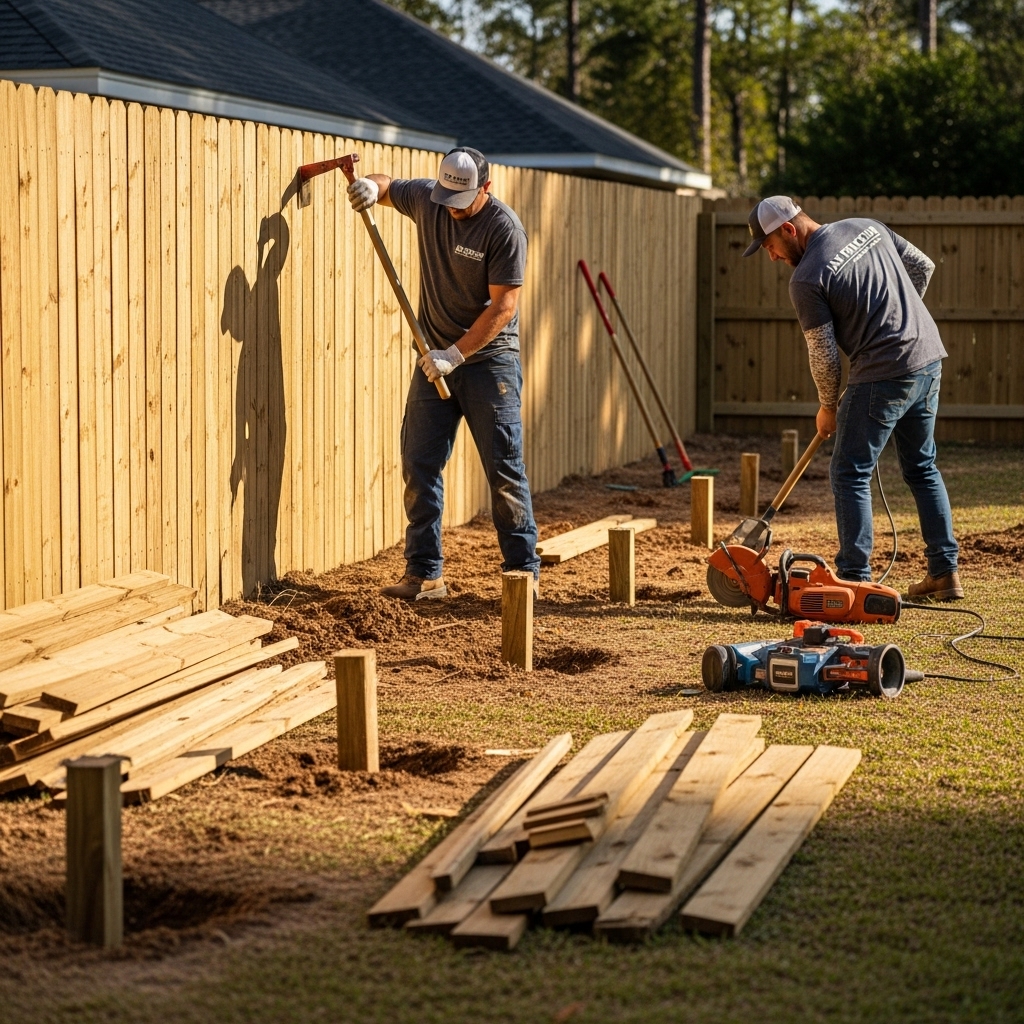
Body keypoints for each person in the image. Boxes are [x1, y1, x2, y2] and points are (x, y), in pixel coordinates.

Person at [743, 195, 962, 600]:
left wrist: (828, 407)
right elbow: (922, 266)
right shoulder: (866, 225)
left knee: (849, 472)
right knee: (922, 467)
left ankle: (854, 579)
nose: (771, 257)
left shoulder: (807, 277)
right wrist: (896, 318)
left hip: (883, 372)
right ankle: (944, 573)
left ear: (789, 230)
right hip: (928, 356)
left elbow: (823, 354)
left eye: (770, 246)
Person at [346, 147, 540, 600]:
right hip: (434, 357)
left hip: (489, 362)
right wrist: (372, 188)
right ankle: (425, 574)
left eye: (463, 202)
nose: (451, 211)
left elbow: (504, 307)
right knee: (419, 461)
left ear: (485, 189)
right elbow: (392, 185)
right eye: (446, 199)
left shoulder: (504, 229)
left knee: (503, 469)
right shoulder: (432, 199)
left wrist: (455, 354)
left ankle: (521, 573)